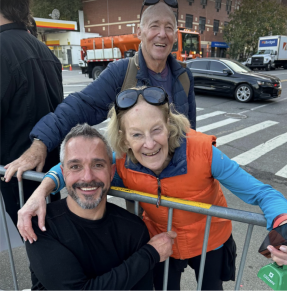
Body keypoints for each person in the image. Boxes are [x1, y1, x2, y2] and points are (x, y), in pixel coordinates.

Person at [18, 87, 287, 290]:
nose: (149, 144)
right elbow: (76, 167)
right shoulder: (121, 162)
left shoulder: (203, 153)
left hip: (210, 242)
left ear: (170, 126)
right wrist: (42, 190)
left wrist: (285, 226)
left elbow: (263, 193)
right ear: (124, 139)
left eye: (156, 130)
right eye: (137, 134)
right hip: (161, 244)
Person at [3, 0, 196, 191]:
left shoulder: (184, 76)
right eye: (154, 26)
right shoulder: (121, 72)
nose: (162, 34)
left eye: (169, 27)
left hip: (178, 189)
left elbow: (191, 134)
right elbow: (78, 106)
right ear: (140, 31)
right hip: (141, 192)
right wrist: (40, 143)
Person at [25, 124, 176, 290]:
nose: (88, 177)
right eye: (75, 166)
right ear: (64, 172)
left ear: (111, 172)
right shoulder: (41, 224)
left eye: (98, 165)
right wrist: (148, 255)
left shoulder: (134, 230)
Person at [0, 0, 63, 226]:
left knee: (38, 244)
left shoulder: (2, 49)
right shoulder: (44, 50)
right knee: (50, 237)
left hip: (18, 174)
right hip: (49, 173)